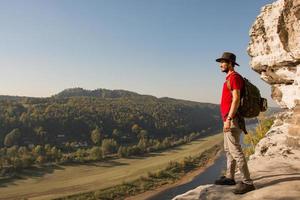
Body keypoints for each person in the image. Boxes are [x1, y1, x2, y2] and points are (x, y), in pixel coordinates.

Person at [214, 52, 255, 194]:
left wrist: (229, 118)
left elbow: (236, 99)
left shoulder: (235, 78)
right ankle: (230, 177)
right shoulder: (229, 78)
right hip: (228, 119)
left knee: (236, 151)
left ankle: (247, 182)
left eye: (223, 62)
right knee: (228, 150)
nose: (220, 64)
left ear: (230, 63)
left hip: (232, 120)